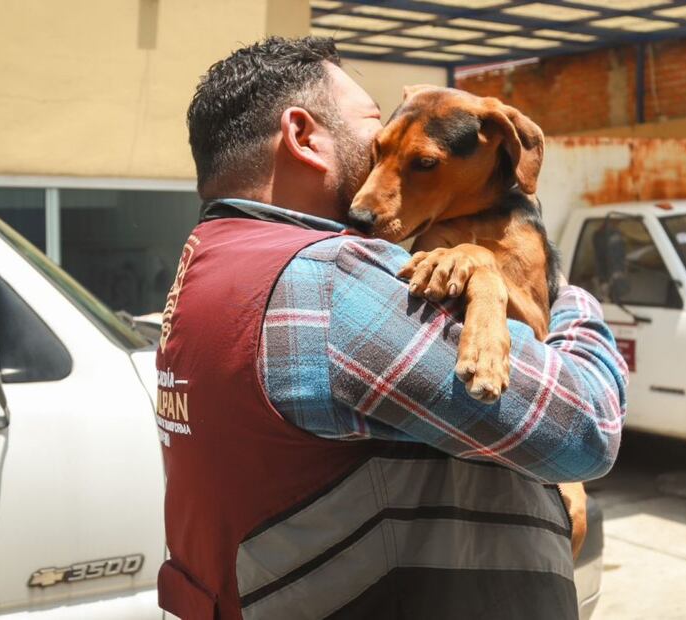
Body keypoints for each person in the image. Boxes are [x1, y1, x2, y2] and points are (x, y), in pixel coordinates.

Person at [155, 36, 628, 620]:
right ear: (304, 137)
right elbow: (585, 430)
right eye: (375, 132)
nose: (388, 158)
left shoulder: (208, 264)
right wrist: (569, 298)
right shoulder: (334, 285)